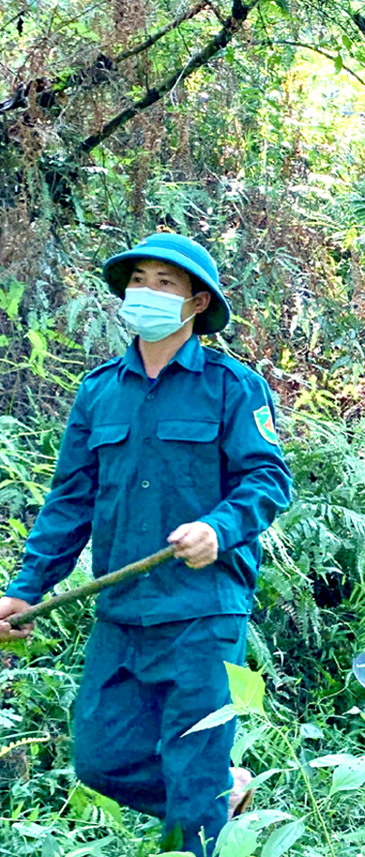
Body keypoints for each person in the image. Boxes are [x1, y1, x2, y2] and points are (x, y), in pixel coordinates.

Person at [0, 233, 293, 855]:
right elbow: (70, 502)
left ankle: (204, 808)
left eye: (166, 283)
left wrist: (219, 526)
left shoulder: (232, 387)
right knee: (99, 759)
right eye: (139, 280)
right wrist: (24, 589)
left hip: (202, 611)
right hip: (122, 612)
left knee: (193, 773)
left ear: (196, 302)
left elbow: (268, 479)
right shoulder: (99, 391)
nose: (147, 293)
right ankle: (222, 793)